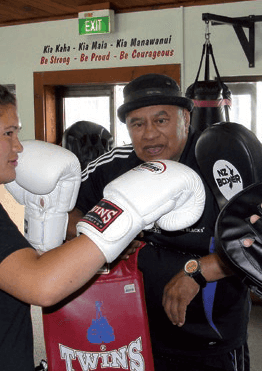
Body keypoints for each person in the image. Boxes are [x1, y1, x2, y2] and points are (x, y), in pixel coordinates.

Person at [0, 58, 204, 371]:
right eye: (7, 134)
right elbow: (42, 286)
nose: (19, 147)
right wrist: (124, 215)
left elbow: (16, 276)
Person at [67, 73, 250, 371]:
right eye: (137, 124)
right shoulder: (115, 164)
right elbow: (67, 214)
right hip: (133, 333)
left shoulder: (220, 164)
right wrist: (102, 238)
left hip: (209, 340)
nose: (149, 134)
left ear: (186, 120)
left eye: (161, 121)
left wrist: (198, 271)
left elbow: (259, 243)